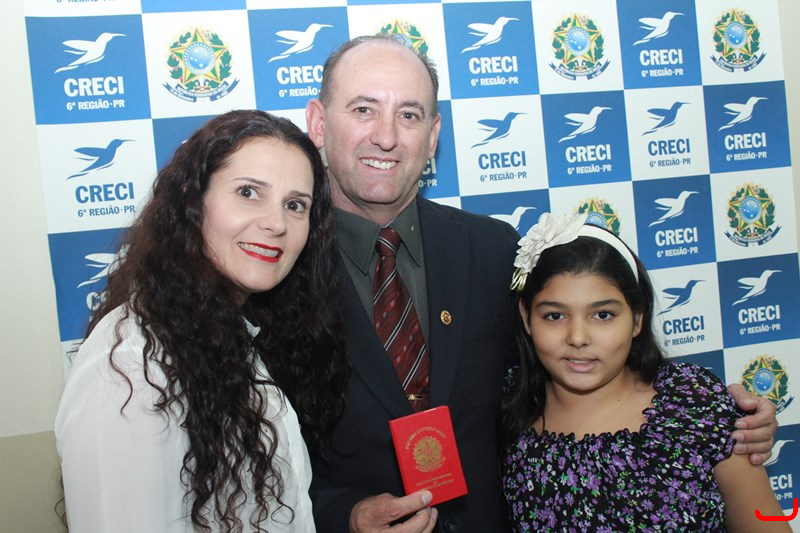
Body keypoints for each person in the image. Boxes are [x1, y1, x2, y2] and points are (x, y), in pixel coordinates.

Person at [304, 34, 778, 533]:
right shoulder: (278, 272)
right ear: (318, 122)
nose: (386, 136)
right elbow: (261, 463)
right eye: (363, 109)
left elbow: (562, 368)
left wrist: (722, 418)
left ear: (433, 132)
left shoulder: (490, 248)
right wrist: (346, 517)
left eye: (409, 114)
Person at [54, 110, 348, 532]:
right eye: (248, 192)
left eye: (295, 205)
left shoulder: (241, 336)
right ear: (193, 203)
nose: (276, 223)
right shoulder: (130, 366)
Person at [501, 212, 788, 531]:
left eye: (603, 315)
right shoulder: (505, 412)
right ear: (527, 318)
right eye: (555, 316)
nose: (578, 338)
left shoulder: (694, 404)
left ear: (637, 318)